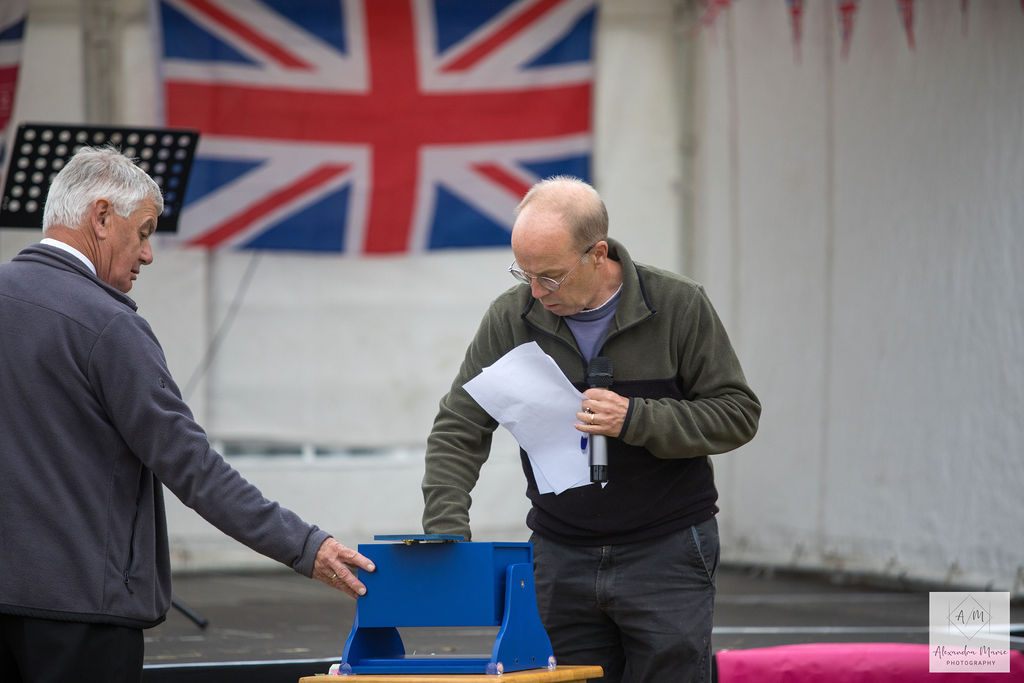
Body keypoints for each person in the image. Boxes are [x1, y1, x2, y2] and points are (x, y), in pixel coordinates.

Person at [0, 146, 375, 683]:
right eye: (145, 231)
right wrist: (305, 546)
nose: (148, 254)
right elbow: (191, 466)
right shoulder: (109, 326)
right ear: (102, 217)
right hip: (83, 614)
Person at [421, 176, 760, 683]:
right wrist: (445, 530)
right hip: (559, 555)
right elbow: (459, 425)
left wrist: (636, 418)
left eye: (551, 277)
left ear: (597, 253)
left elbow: (737, 413)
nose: (535, 292)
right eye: (525, 273)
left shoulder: (679, 305)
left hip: (667, 550)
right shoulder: (511, 317)